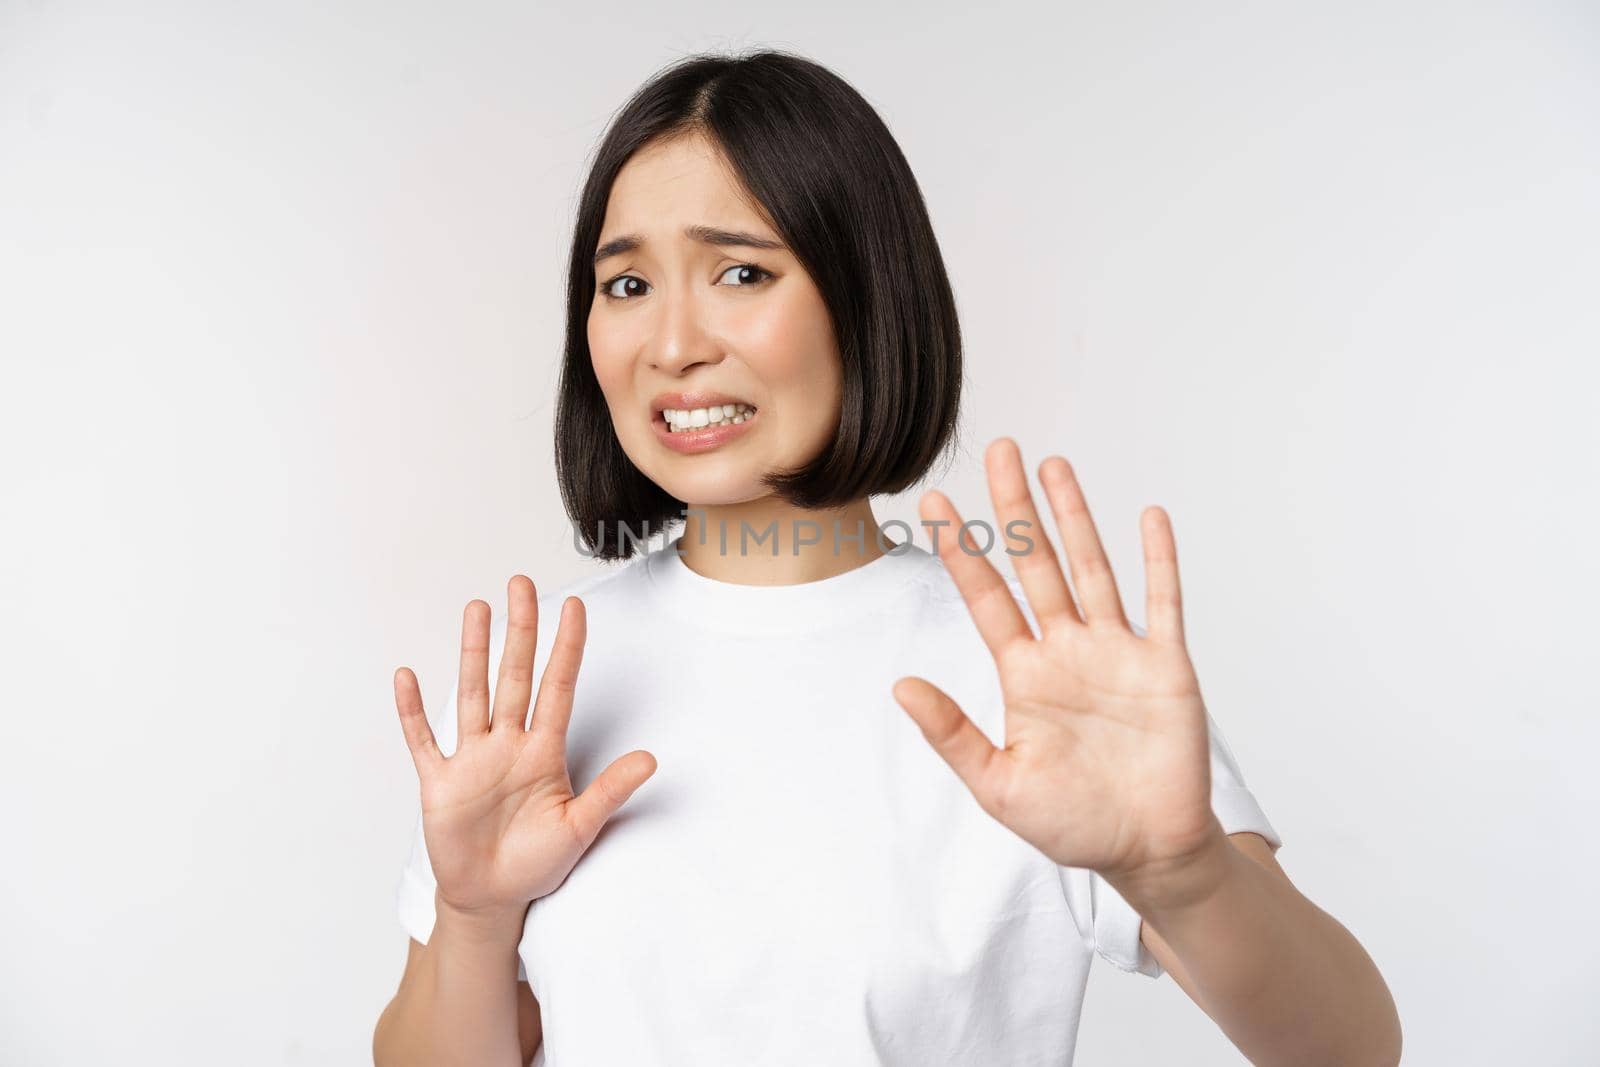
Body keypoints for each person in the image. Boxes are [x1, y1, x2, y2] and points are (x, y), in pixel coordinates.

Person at [372, 49, 1401, 1067]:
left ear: (867, 300)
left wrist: (1184, 875)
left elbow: (1349, 1050)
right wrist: (472, 912)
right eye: (627, 282)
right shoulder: (551, 673)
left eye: (742, 271)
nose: (671, 342)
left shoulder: (1039, 681)